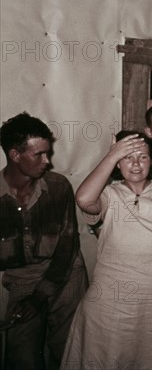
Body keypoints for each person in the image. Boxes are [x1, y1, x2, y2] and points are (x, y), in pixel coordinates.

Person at [61, 131, 152, 370]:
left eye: (143, 157)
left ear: (151, 161)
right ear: (117, 162)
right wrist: (112, 154)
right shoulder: (108, 195)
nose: (135, 164)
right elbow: (83, 199)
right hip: (111, 305)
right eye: (127, 157)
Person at [0, 112, 88, 370]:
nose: (47, 161)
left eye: (47, 152)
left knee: (69, 353)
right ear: (15, 155)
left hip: (66, 274)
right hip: (23, 280)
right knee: (22, 358)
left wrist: (39, 298)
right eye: (38, 154)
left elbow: (67, 246)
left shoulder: (59, 187)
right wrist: (29, 298)